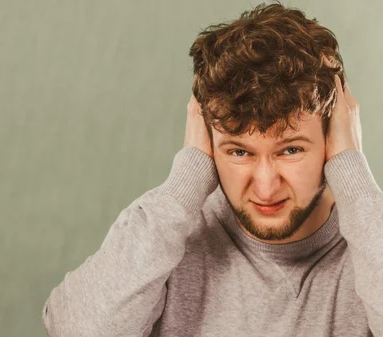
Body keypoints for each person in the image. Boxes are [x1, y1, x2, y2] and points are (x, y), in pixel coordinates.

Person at [42, 3, 383, 336]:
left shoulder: (369, 243)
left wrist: (355, 181)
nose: (265, 187)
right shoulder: (164, 240)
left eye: (290, 150)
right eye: (239, 152)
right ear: (206, 138)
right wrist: (184, 181)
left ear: (333, 138)